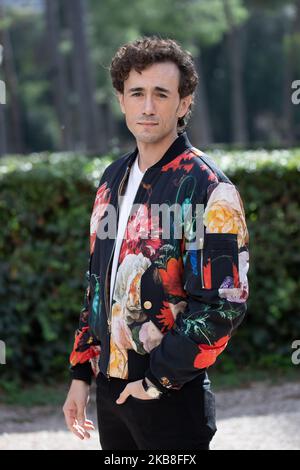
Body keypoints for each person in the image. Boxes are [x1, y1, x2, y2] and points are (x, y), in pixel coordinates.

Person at [63, 36, 250, 450]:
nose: (148, 107)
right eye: (137, 93)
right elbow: (98, 286)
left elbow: (224, 305)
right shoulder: (111, 180)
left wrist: (156, 380)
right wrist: (80, 375)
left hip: (171, 397)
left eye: (161, 94)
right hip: (112, 397)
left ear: (183, 104)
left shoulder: (208, 188)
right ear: (121, 100)